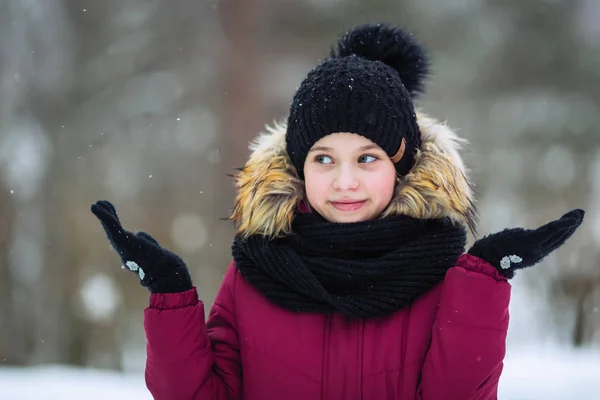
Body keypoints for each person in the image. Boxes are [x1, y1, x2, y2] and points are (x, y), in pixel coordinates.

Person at [91, 23, 585, 400]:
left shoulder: (441, 275)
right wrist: (170, 294)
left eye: (367, 158)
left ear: (402, 163)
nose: (344, 181)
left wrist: (484, 279)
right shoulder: (257, 270)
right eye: (323, 159)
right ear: (299, 167)